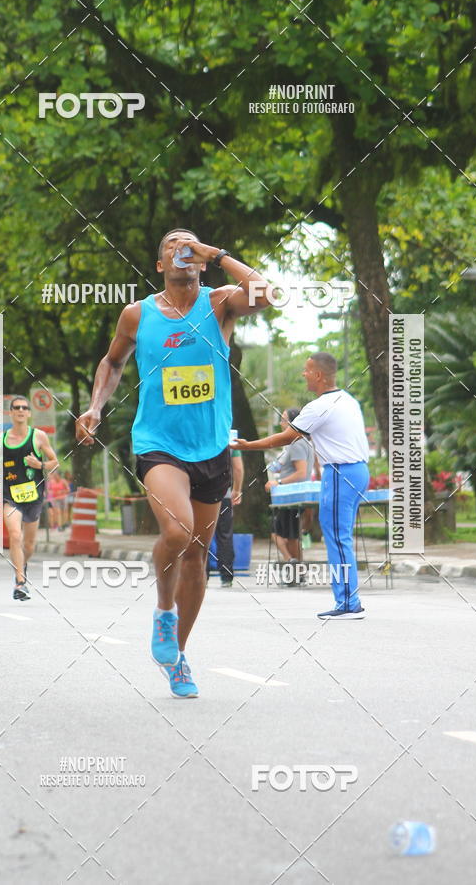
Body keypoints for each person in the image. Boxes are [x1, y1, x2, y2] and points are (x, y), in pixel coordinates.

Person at [76, 228, 272, 697]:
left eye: (190, 244)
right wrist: (96, 406)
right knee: (178, 533)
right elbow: (113, 362)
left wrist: (219, 254)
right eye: (171, 245)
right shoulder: (137, 314)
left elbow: (267, 294)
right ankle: (164, 611)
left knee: (198, 558)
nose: (182, 248)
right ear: (161, 265)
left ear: (199, 262)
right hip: (159, 444)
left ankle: (177, 656)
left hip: (211, 448)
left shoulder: (220, 302)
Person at [235, 352, 370, 619]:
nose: (304, 374)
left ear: (319, 375)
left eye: (307, 370)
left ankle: (347, 603)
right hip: (358, 471)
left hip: (340, 473)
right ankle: (348, 599)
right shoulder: (349, 400)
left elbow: (286, 438)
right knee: (342, 537)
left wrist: (249, 445)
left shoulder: (319, 406)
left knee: (337, 538)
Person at [3, 396, 59, 600]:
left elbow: (55, 462)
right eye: (16, 407)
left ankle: (21, 567)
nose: (20, 410)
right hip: (9, 496)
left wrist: (40, 466)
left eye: (24, 408)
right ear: (10, 412)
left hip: (33, 497)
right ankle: (19, 582)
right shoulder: (1, 440)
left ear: (29, 413)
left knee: (28, 545)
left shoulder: (39, 437)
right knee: (15, 536)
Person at [266, 408, 314, 570]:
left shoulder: (296, 444)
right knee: (292, 534)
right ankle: (297, 569)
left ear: (293, 423)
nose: (281, 423)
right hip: (294, 494)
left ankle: (291, 562)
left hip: (290, 495)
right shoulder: (303, 442)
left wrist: (278, 483)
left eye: (284, 419)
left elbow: (300, 473)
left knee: (278, 534)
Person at [211, 447, 244, 587]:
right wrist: (236, 490)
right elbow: (238, 468)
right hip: (224, 494)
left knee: (199, 535)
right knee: (224, 535)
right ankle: (226, 577)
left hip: (199, 496)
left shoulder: (197, 432)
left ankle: (199, 574)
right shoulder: (230, 438)